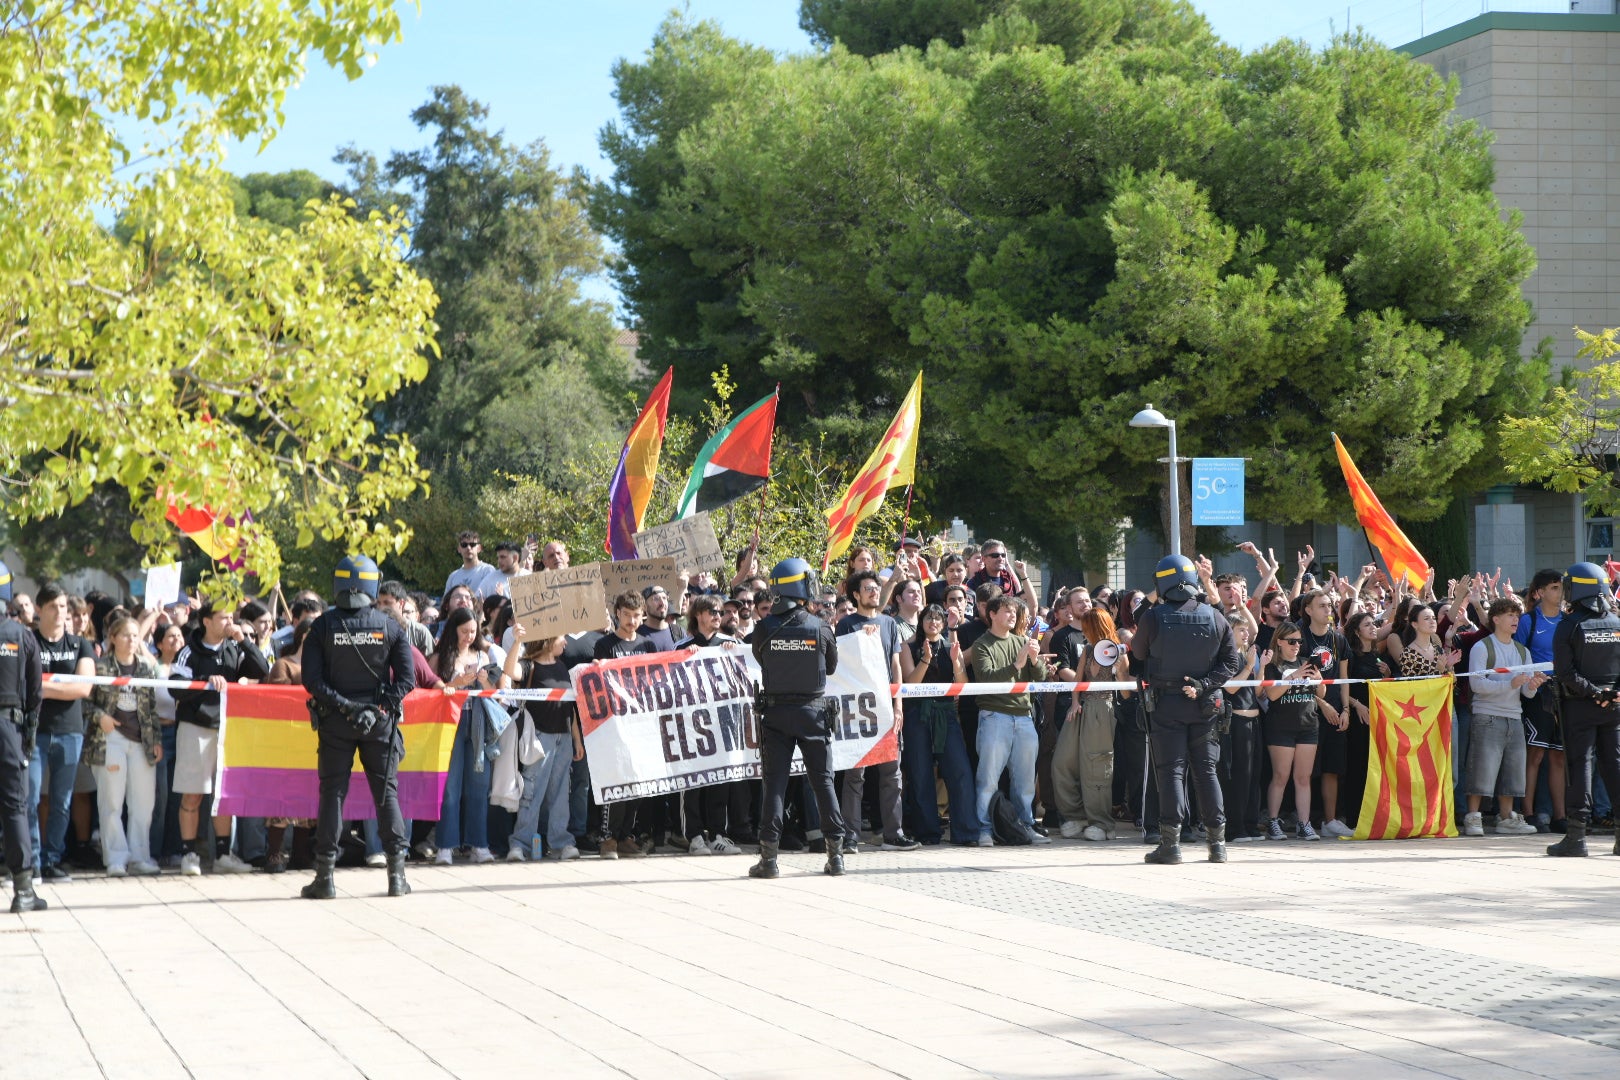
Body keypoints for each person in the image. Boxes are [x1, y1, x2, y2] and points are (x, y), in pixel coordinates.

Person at [300, 555, 416, 898]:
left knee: (332, 795)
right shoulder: (390, 626)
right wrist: (378, 708)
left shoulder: (321, 627)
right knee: (386, 794)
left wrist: (347, 707)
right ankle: (396, 877)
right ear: (372, 584)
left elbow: (312, 681)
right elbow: (407, 680)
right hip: (378, 723)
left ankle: (325, 878)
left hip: (336, 721)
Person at [1129, 554, 1243, 865]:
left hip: (1167, 705)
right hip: (1205, 705)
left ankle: (1171, 845)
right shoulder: (1215, 616)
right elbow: (1232, 662)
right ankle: (1217, 845)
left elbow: (1137, 653)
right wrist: (1205, 683)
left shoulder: (1154, 617)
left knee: (1172, 774)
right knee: (1207, 773)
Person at [750, 557, 846, 879]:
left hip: (776, 714)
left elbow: (760, 657)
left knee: (774, 785)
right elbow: (831, 666)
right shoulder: (819, 626)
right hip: (813, 713)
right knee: (823, 782)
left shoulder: (763, 627)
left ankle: (769, 860)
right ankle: (836, 857)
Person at [171, 600, 271, 875]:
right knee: (193, 795)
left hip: (228, 730)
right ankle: (188, 854)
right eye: (224, 618)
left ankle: (224, 854)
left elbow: (263, 670)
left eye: (231, 618)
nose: (230, 622)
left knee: (223, 795)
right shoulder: (188, 651)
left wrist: (245, 642)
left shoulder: (234, 648)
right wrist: (206, 680)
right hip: (196, 728)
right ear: (206, 621)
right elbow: (175, 689)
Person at [952, 595, 1052, 847]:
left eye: (1014, 612)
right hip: (994, 716)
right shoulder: (982, 645)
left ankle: (1025, 826)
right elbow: (986, 679)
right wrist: (1017, 663)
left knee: (1026, 780)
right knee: (988, 778)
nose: (1012, 616)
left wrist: (1033, 659)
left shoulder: (1021, 641)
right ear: (992, 614)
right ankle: (983, 829)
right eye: (1006, 611)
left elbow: (1038, 678)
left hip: (1024, 716)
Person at [1547, 563, 1620, 858]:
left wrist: (1593, 692)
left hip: (1579, 705)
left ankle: (1576, 837)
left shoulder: (1570, 624)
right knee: (1615, 767)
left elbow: (1564, 672)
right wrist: (1611, 693)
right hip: (1613, 705)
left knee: (1581, 767)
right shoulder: (1616, 622)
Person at [85, 613, 163, 877]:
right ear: (113, 638)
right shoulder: (101, 666)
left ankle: (141, 856)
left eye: (135, 635)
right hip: (110, 740)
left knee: (143, 803)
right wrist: (101, 717)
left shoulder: (145, 667)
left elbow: (152, 708)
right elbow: (85, 702)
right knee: (112, 801)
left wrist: (157, 741)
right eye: (126, 635)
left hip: (142, 742)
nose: (131, 640)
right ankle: (116, 858)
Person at [1465, 598, 1542, 837]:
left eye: (1516, 615)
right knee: (1481, 768)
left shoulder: (1523, 651)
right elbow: (1476, 684)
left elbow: (1527, 693)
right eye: (1509, 615)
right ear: (1495, 619)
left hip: (1514, 716)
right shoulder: (1482, 647)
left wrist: (1534, 684)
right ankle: (1473, 816)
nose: (1515, 620)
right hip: (1487, 714)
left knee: (1513, 770)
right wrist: (1510, 683)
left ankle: (1507, 817)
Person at [1, 561, 47, 913]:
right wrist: (27, 735)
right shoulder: (21, 636)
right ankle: (24, 891)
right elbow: (35, 693)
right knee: (15, 807)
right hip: (9, 730)